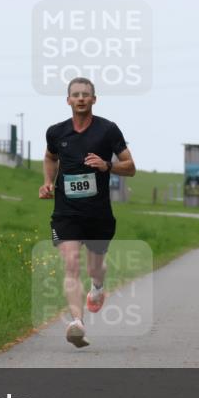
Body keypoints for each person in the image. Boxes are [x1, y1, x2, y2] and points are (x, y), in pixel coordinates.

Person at [39, 77, 135, 348]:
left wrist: (107, 165)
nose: (80, 98)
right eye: (75, 95)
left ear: (94, 99)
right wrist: (48, 182)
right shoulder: (56, 132)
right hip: (66, 212)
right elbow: (50, 157)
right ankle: (77, 323)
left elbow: (130, 166)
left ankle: (98, 287)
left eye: (86, 94)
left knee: (94, 267)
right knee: (70, 263)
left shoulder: (108, 130)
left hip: (98, 213)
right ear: (68, 100)